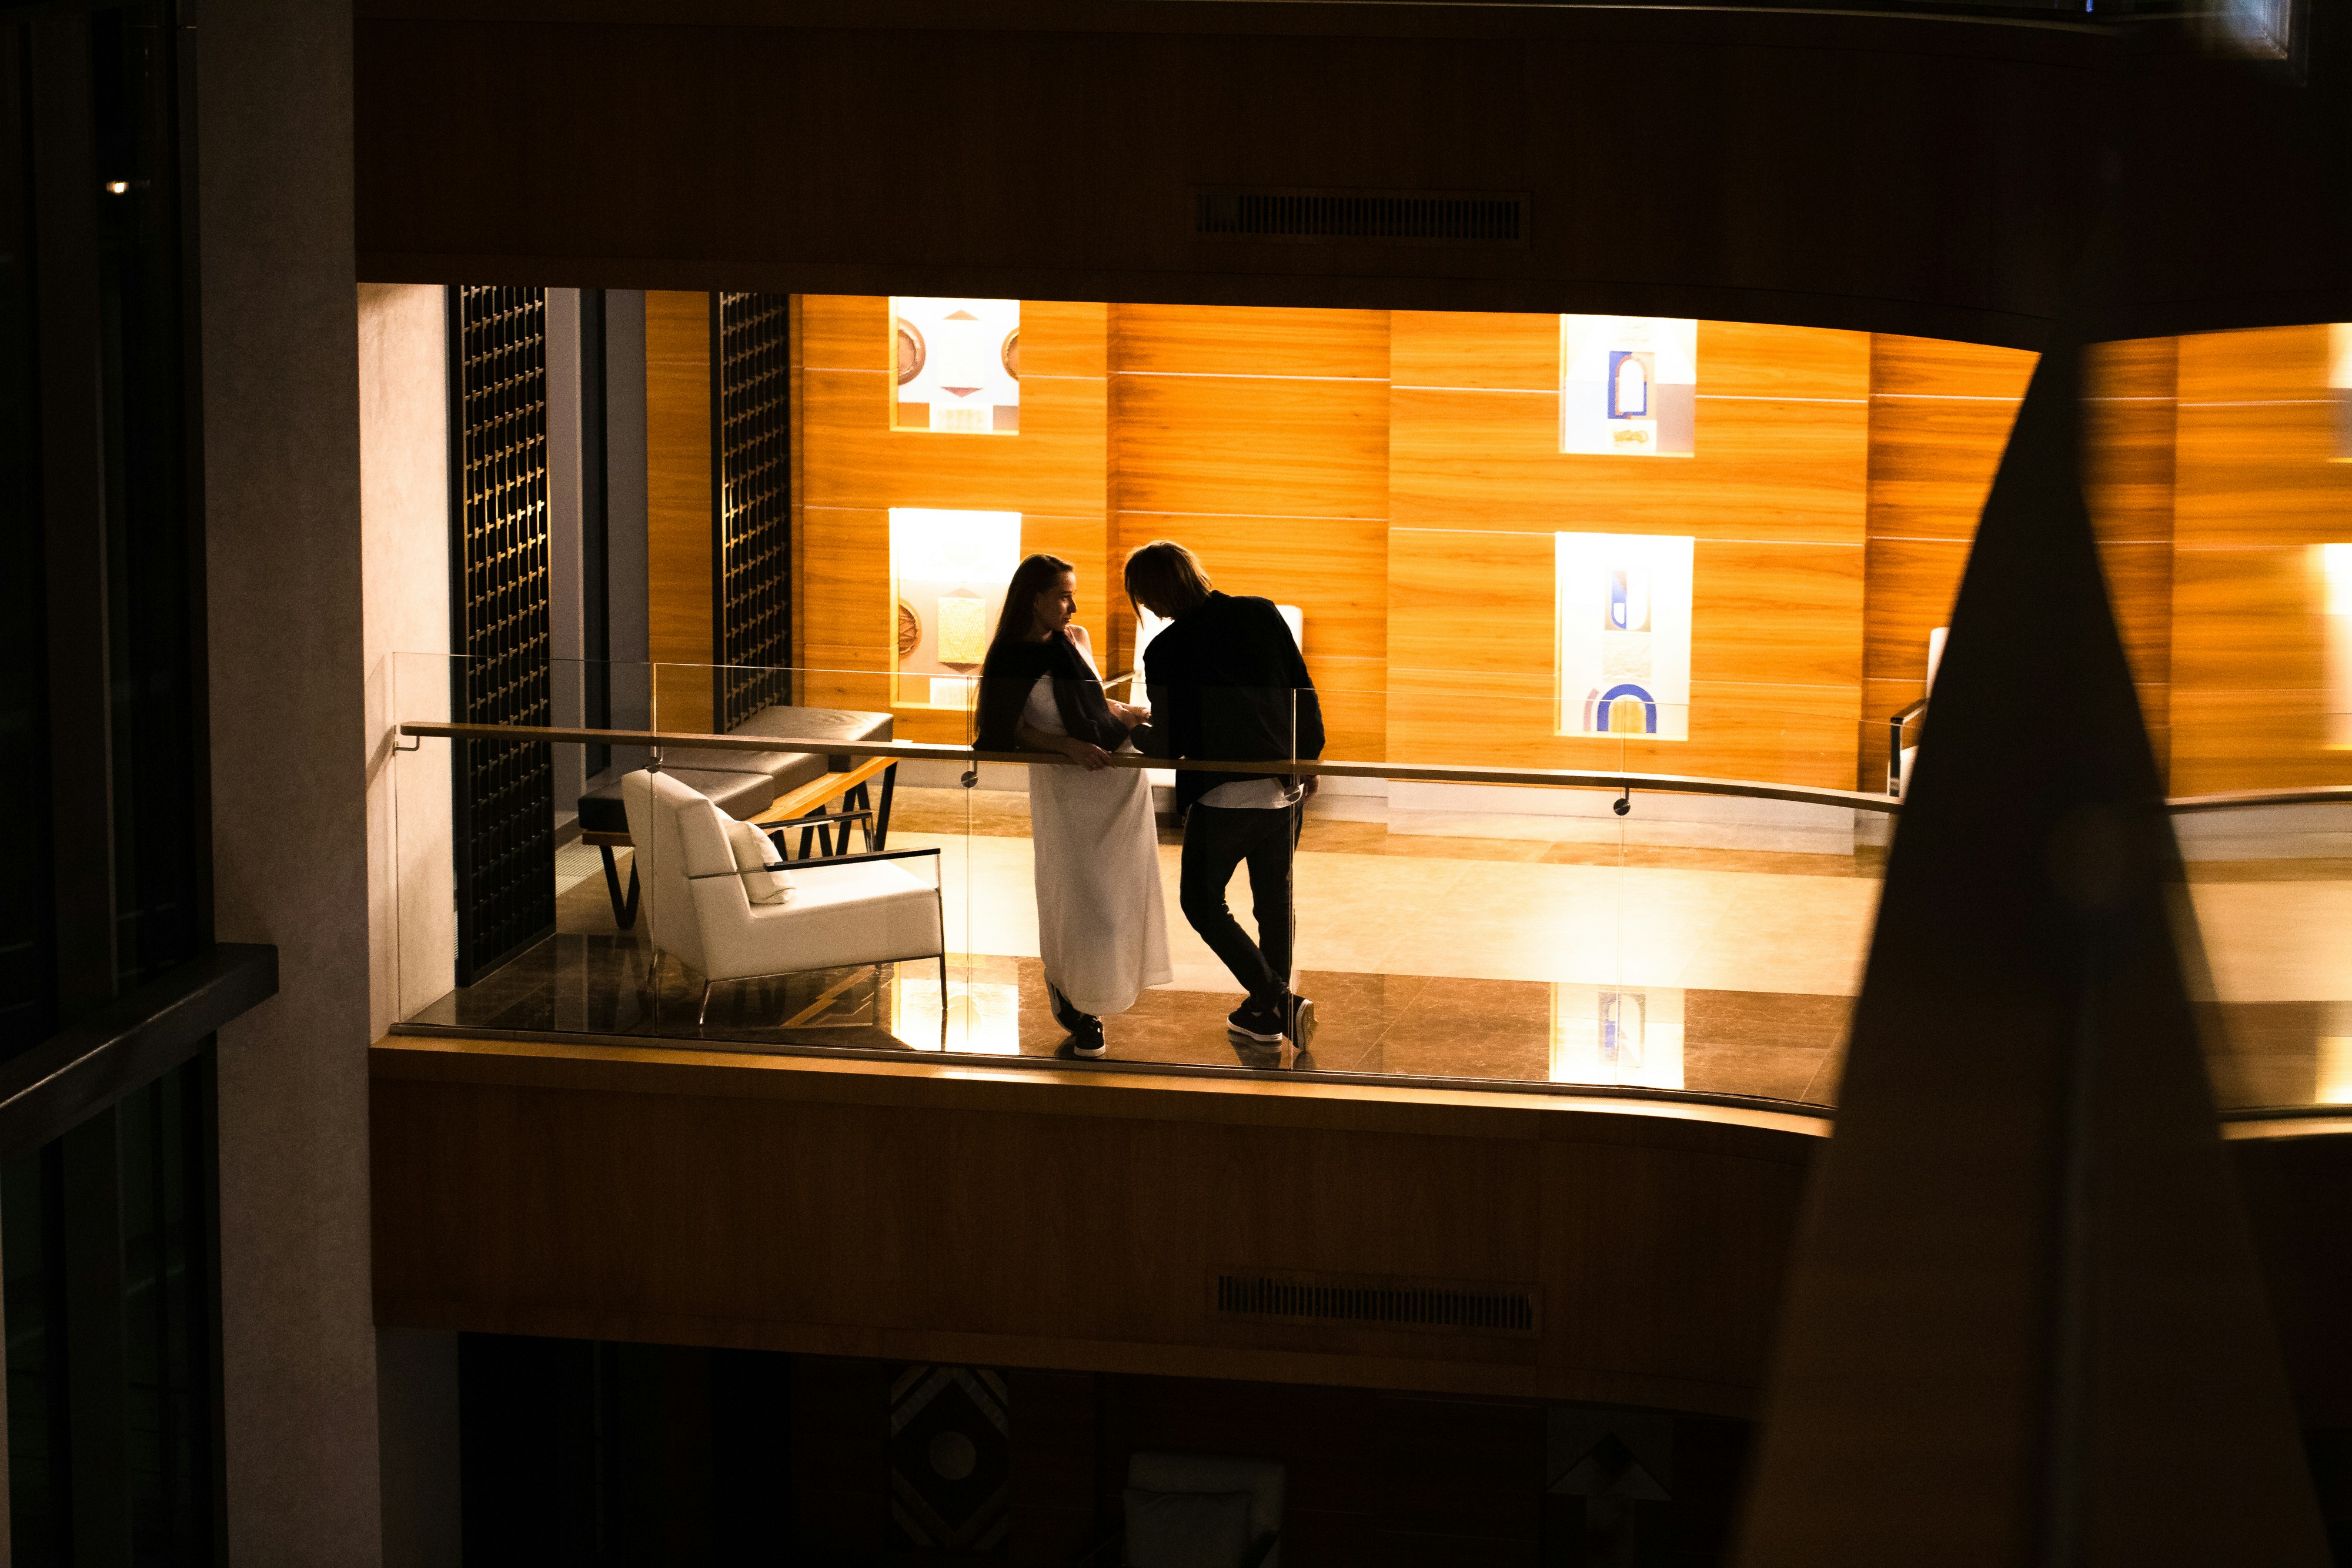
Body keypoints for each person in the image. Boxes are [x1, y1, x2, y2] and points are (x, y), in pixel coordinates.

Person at [1122, 540, 1323, 1051]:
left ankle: (1276, 1001)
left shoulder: (1166, 649)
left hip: (1223, 795)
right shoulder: (1260, 613)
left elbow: (1170, 742)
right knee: (1275, 904)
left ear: (1153, 594)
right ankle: (1267, 1013)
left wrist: (1132, 725)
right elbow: (1302, 689)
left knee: (1201, 901)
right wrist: (1309, 756)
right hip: (1283, 789)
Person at [974, 553, 1170, 1058]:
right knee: (1081, 897)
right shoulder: (1010, 656)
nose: (1072, 604)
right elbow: (1009, 731)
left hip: (1114, 776)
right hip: (1067, 783)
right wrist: (1067, 748)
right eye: (1063, 594)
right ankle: (1074, 993)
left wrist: (1127, 712)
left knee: (1118, 894)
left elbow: (1093, 703)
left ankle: (1099, 993)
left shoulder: (1075, 638)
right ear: (1034, 598)